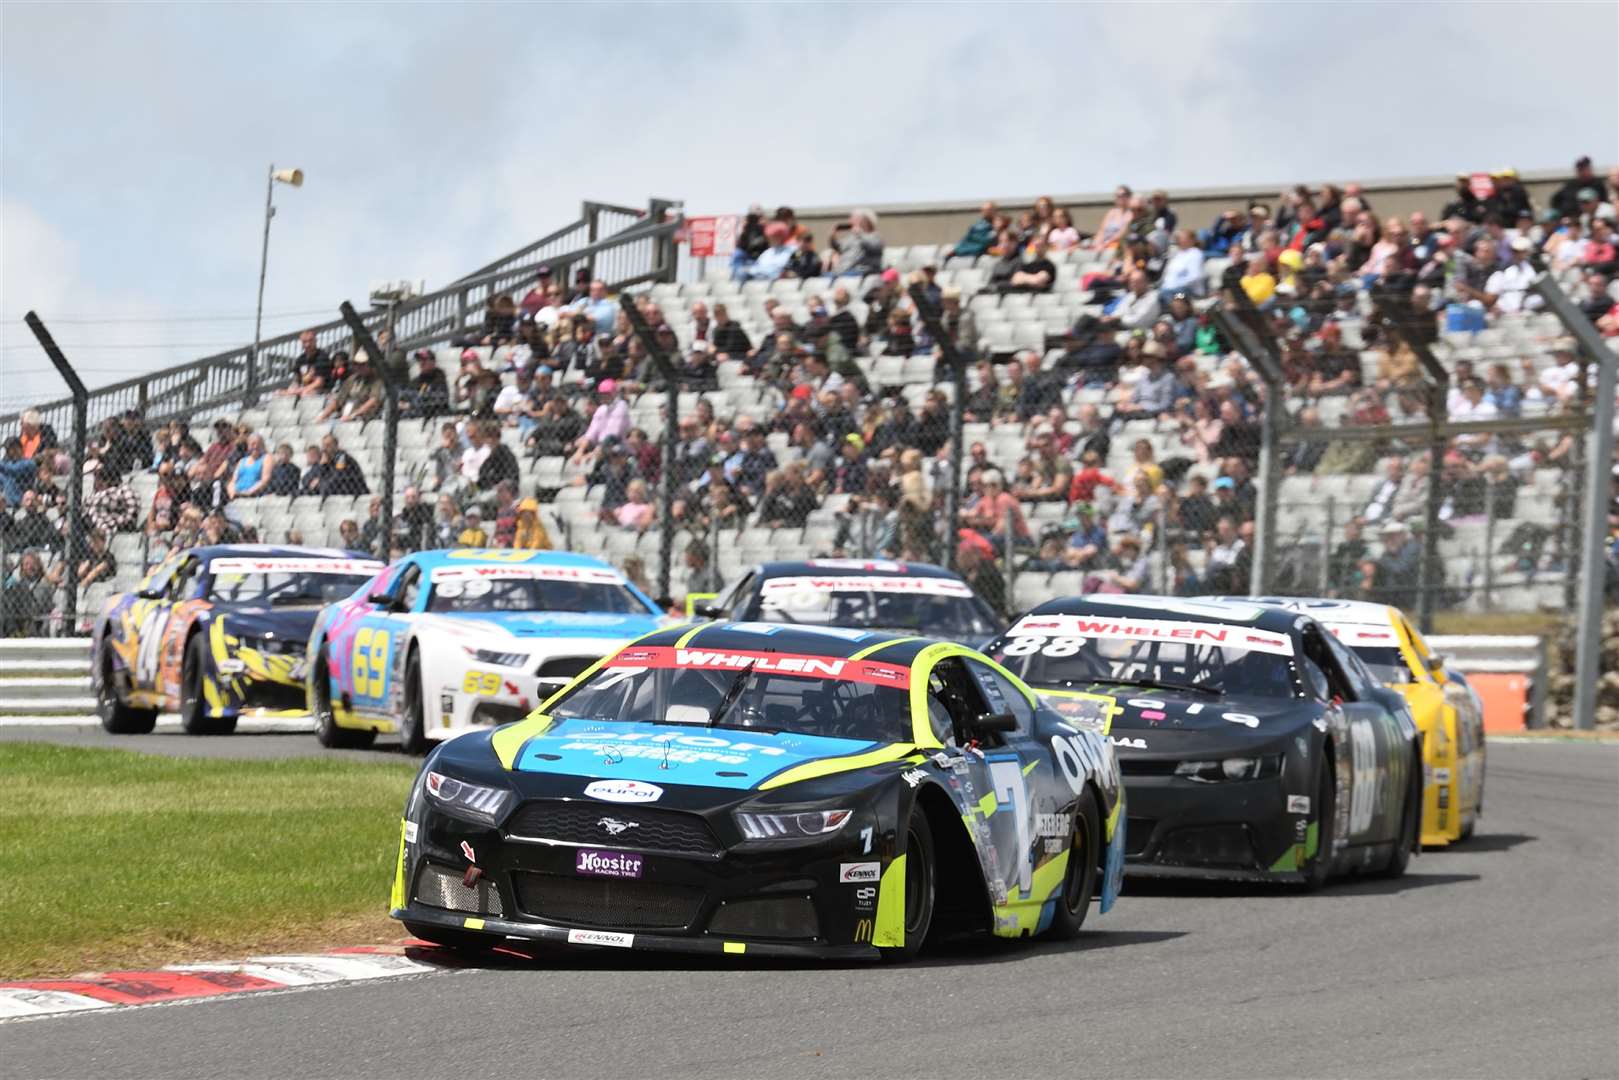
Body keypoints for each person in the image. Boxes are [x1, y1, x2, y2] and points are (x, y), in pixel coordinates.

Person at [826, 209, 883, 279]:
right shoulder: (852, 237)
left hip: (860, 272)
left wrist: (860, 234)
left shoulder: (875, 236)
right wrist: (832, 238)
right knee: (823, 277)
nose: (851, 221)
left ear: (865, 221)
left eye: (855, 219)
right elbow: (839, 247)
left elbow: (873, 246)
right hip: (843, 271)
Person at [227, 434, 271, 499]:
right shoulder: (242, 461)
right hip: (236, 493)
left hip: (253, 493)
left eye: (258, 444)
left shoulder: (266, 458)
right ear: (248, 446)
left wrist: (248, 492)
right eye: (252, 444)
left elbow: (264, 480)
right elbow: (233, 480)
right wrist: (232, 492)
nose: (255, 446)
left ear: (262, 446)